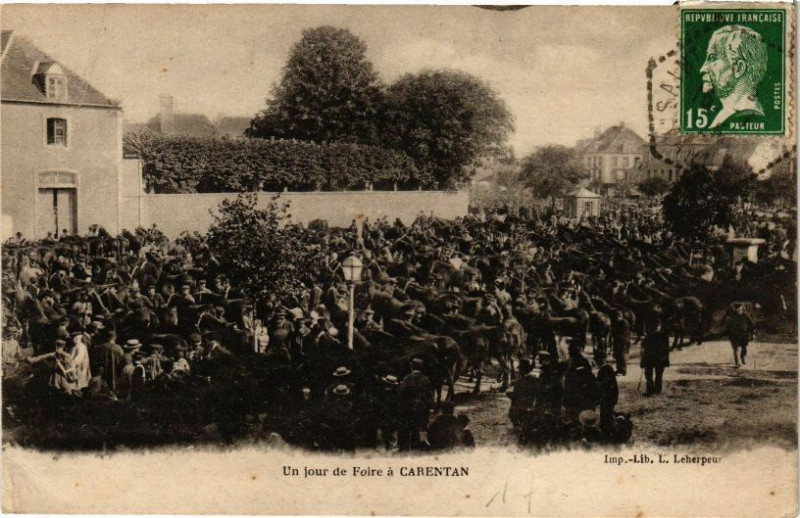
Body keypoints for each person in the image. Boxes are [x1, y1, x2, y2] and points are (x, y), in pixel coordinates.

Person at [699, 25, 768, 129]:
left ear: (739, 68)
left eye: (712, 58)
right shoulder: (726, 115)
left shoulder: (746, 116)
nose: (703, 69)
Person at [640, 321, 670, 396]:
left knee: (649, 375)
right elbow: (667, 348)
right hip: (660, 358)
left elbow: (643, 348)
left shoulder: (649, 336)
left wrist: (642, 359)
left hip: (650, 358)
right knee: (659, 375)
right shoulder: (665, 336)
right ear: (659, 326)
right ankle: (658, 390)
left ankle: (650, 391)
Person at [507, 358, 537, 427]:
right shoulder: (534, 379)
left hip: (521, 406)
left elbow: (515, 395)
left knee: (514, 401)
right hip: (530, 404)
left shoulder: (520, 382)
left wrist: (509, 394)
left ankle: (515, 419)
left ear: (521, 370)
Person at [725, 302, 756, 368]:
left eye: (739, 309)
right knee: (735, 349)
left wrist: (753, 333)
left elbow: (752, 325)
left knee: (744, 348)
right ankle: (737, 363)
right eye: (737, 309)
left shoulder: (746, 315)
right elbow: (728, 326)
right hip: (734, 336)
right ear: (735, 309)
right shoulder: (732, 316)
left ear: (742, 308)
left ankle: (742, 357)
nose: (738, 310)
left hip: (744, 335)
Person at [610, 311, 630, 376]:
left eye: (616, 317)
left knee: (621, 355)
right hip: (618, 341)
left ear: (619, 316)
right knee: (618, 356)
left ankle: (623, 371)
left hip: (622, 342)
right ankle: (619, 369)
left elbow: (624, 334)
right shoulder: (619, 322)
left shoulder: (624, 322)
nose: (615, 319)